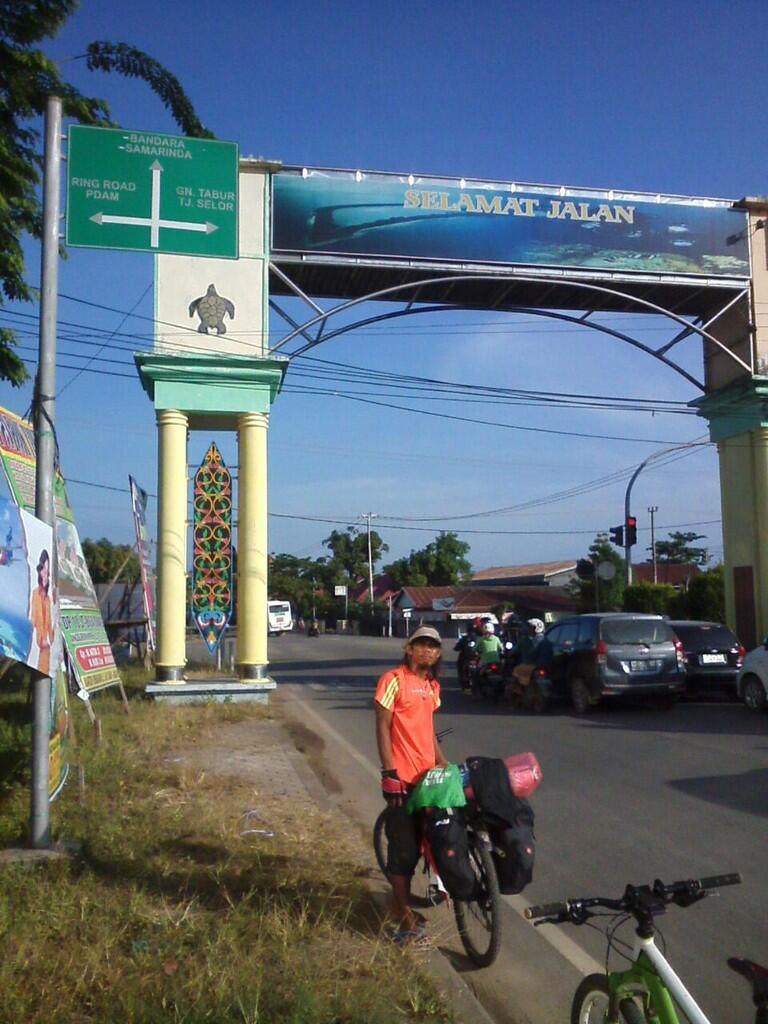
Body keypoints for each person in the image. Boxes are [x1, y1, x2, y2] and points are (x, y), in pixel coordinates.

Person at [374, 624, 446, 945]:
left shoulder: (431, 686)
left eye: (433, 646)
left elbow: (428, 730)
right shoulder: (393, 680)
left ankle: (400, 904)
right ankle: (404, 921)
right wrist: (389, 773)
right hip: (401, 779)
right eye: (422, 644)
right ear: (408, 647)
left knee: (428, 843)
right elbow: (382, 724)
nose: (427, 650)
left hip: (427, 781)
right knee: (403, 852)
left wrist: (443, 763)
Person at [29, 549, 54, 676]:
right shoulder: (36, 594)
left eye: (48, 571)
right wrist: (41, 638)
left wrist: (53, 639)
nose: (46, 574)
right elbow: (34, 618)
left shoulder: (48, 598)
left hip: (48, 643)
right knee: (42, 670)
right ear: (40, 571)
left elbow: (50, 622)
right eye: (44, 570)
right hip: (41, 641)